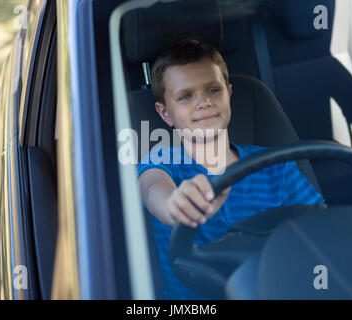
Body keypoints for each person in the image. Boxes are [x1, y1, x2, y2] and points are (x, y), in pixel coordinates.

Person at [137, 38, 324, 299]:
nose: (203, 102)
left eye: (213, 90)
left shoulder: (275, 166)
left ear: (229, 93)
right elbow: (152, 189)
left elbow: (318, 228)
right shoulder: (161, 161)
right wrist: (175, 205)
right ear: (165, 113)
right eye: (186, 96)